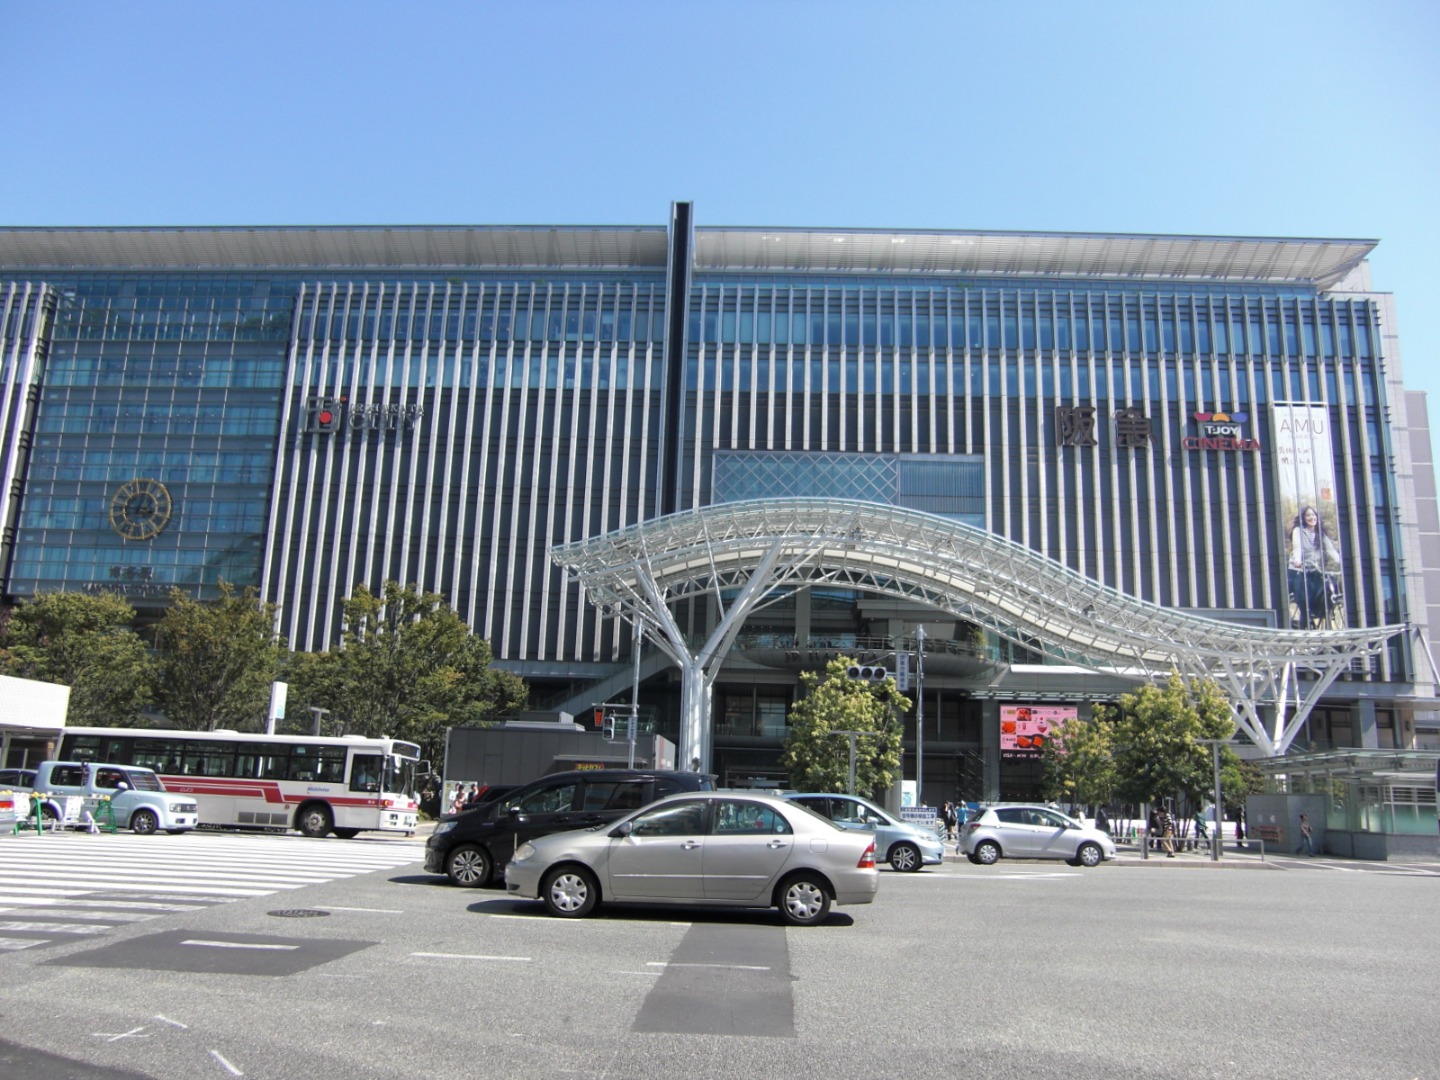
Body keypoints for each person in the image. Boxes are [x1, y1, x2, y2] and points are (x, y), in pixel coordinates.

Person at [1288, 505, 1341, 627]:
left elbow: (1330, 550)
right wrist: (1297, 560)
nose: (1311, 517)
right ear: (1303, 518)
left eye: (1313, 515)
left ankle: (1324, 610)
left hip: (1314, 568)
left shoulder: (1320, 533)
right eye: (1308, 515)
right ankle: (1303, 619)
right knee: (1303, 595)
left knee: (1328, 583)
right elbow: (1297, 548)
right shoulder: (1298, 531)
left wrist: (1340, 562)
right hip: (1298, 568)